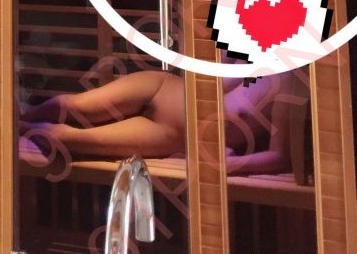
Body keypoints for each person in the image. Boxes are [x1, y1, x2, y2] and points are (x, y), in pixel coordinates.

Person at [21, 67, 301, 176]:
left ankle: (20, 127)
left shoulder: (291, 81)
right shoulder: (243, 52)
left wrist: (228, 165)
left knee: (66, 139)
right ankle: (21, 116)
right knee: (68, 105)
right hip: (162, 86)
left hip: (172, 134)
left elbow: (281, 157)